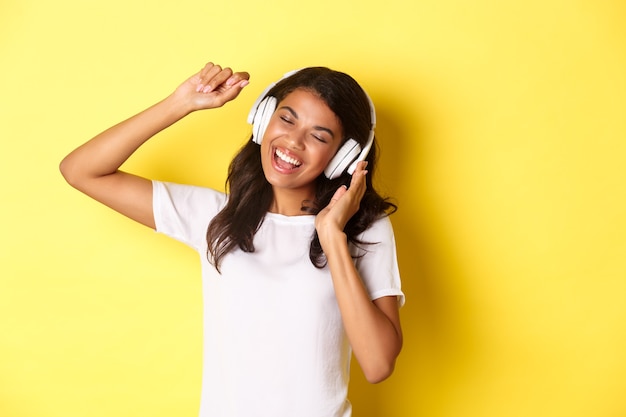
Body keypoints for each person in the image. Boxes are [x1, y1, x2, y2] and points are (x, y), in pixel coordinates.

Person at [60, 62, 404, 417]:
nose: (293, 141)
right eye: (286, 119)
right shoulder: (214, 216)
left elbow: (378, 365)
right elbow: (80, 170)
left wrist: (332, 236)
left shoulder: (365, 228)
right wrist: (181, 103)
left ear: (343, 157)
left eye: (318, 136)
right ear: (262, 118)